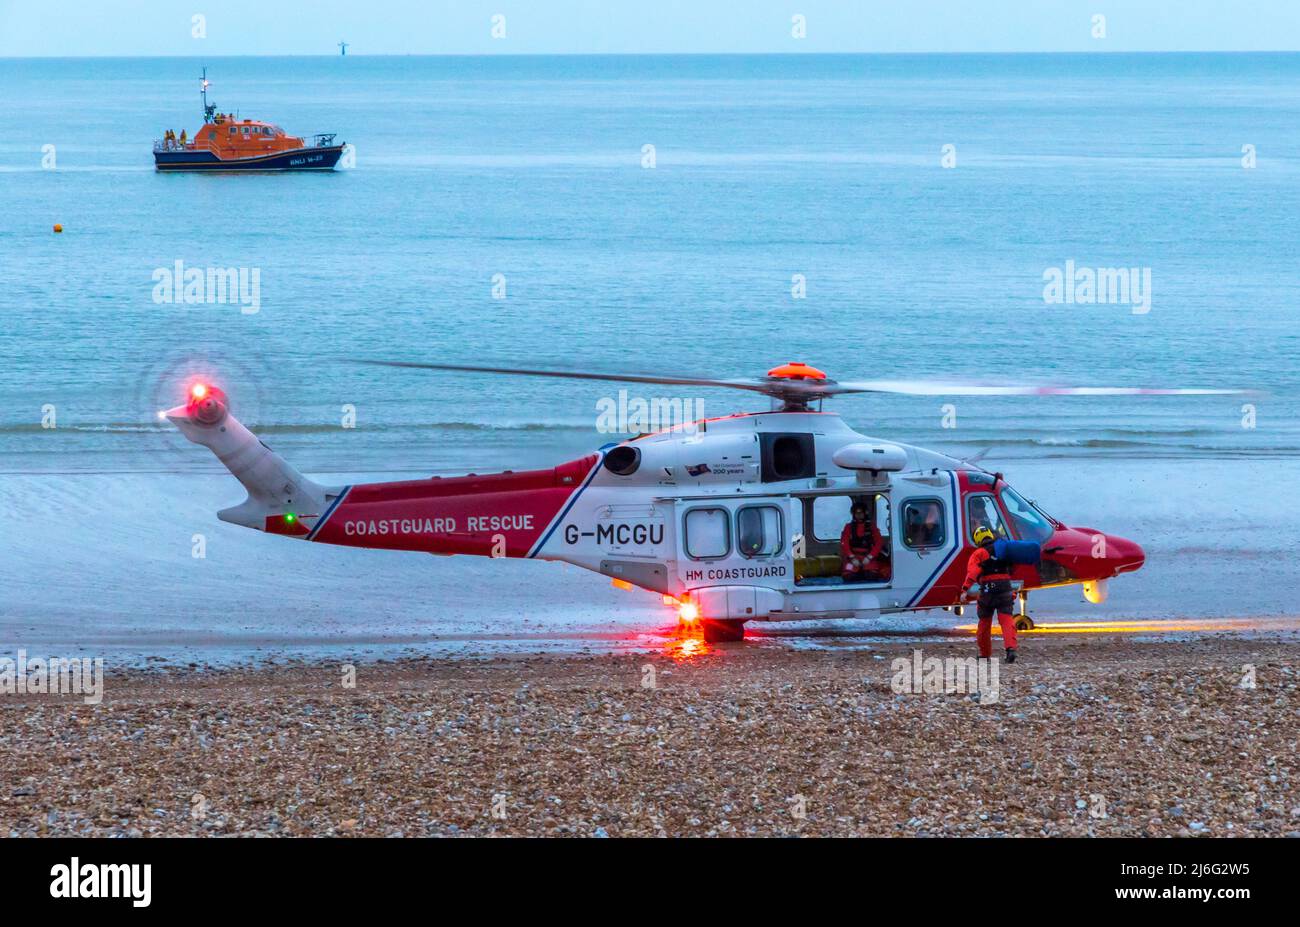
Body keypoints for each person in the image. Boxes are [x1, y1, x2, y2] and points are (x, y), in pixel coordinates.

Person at [961, 526, 1018, 662]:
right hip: (1005, 587)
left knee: (985, 622)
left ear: (977, 540)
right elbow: (1012, 567)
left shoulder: (978, 553)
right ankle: (1010, 649)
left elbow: (973, 573)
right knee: (1006, 620)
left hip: (987, 590)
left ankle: (985, 654)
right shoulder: (1002, 549)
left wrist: (965, 589)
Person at [840, 501, 886, 582]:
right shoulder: (848, 527)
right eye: (856, 513)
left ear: (865, 513)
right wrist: (852, 557)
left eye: (861, 513)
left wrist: (869, 557)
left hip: (868, 558)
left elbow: (879, 543)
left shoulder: (872, 527)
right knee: (848, 576)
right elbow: (844, 544)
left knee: (872, 576)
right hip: (853, 558)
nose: (858, 515)